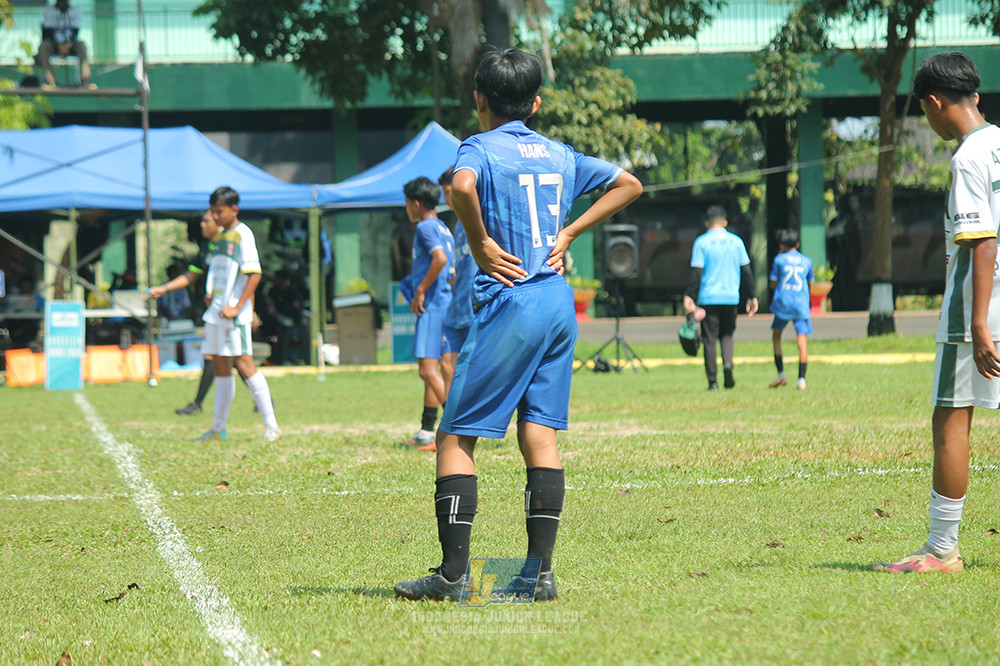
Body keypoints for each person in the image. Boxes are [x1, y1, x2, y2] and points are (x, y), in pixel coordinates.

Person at [394, 47, 642, 602]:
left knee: (454, 436)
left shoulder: (479, 147)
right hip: (557, 302)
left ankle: (453, 578)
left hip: (511, 298)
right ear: (535, 102)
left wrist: (480, 241)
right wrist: (571, 233)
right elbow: (629, 185)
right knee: (540, 432)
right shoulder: (557, 152)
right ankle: (539, 575)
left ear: (479, 98)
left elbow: (459, 187)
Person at [873, 52, 1000, 574]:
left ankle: (941, 550)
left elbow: (983, 241)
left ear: (934, 102)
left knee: (950, 420)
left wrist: (977, 322)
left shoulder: (968, 157)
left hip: (977, 310)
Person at [150, 210, 259, 416]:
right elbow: (192, 275)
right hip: (216, 312)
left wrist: (249, 309)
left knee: (236, 360)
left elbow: (248, 278)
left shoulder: (236, 241)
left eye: (207, 220)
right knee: (222, 359)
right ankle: (211, 412)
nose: (202, 224)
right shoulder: (206, 249)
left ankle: (263, 406)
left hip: (232, 313)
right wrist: (164, 289)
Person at [195, 187, 279, 441]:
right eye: (213, 211)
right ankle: (218, 428)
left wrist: (238, 306)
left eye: (219, 211)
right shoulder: (221, 236)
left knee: (245, 365)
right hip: (216, 312)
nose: (215, 216)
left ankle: (272, 426)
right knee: (220, 366)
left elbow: (254, 274)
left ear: (234, 210)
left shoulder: (244, 234)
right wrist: (214, 294)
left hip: (234, 316)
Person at [398, 176, 454, 450]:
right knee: (437, 370)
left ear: (416, 204)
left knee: (427, 370)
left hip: (432, 305)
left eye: (407, 203)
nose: (406, 208)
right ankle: (426, 430)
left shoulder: (425, 229)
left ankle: (454, 427)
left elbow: (440, 259)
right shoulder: (444, 227)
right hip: (446, 303)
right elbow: (452, 268)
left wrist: (420, 290)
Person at [683, 205, 758, 390]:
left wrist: (689, 295)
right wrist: (752, 296)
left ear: (707, 223)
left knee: (709, 339)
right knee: (727, 335)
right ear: (725, 222)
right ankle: (728, 365)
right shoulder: (736, 242)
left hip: (709, 298)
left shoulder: (701, 242)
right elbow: (746, 271)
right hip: (731, 297)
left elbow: (696, 273)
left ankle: (713, 382)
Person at [439, 166, 476, 407]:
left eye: (448, 191)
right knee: (446, 365)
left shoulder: (478, 219)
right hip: (457, 307)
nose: (446, 197)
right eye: (443, 192)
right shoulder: (458, 225)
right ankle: (452, 424)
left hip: (475, 308)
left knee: (476, 371)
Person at [768, 228, 813, 390]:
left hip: (783, 303)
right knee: (802, 339)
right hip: (801, 304)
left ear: (782, 245)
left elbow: (773, 283)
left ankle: (781, 374)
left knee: (776, 336)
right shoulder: (807, 261)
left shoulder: (779, 260)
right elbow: (809, 283)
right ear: (798, 244)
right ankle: (802, 379)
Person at [35, 0, 95, 90]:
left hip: (70, 44)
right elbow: (48, 33)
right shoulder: (49, 11)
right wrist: (59, 45)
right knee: (43, 47)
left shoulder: (75, 11)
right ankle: (51, 82)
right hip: (54, 44)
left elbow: (75, 31)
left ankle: (85, 80)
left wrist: (68, 45)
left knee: (81, 46)